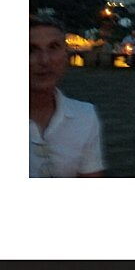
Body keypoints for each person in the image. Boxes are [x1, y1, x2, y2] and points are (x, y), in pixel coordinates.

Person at [29, 15, 105, 177]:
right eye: (31, 50)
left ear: (66, 57)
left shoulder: (84, 116)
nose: (44, 60)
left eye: (53, 47)